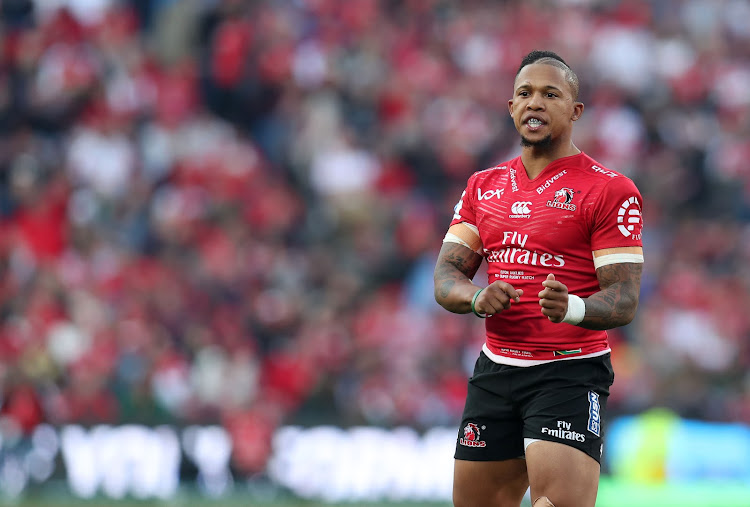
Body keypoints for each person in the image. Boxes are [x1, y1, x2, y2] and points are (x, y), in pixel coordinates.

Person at [433, 50, 644, 507]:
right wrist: (476, 297)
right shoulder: (482, 186)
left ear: (575, 110)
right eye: (525, 93)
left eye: (551, 94)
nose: (535, 103)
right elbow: (447, 275)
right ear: (510, 107)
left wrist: (572, 307)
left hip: (569, 371)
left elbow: (624, 300)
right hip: (496, 369)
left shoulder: (609, 189)